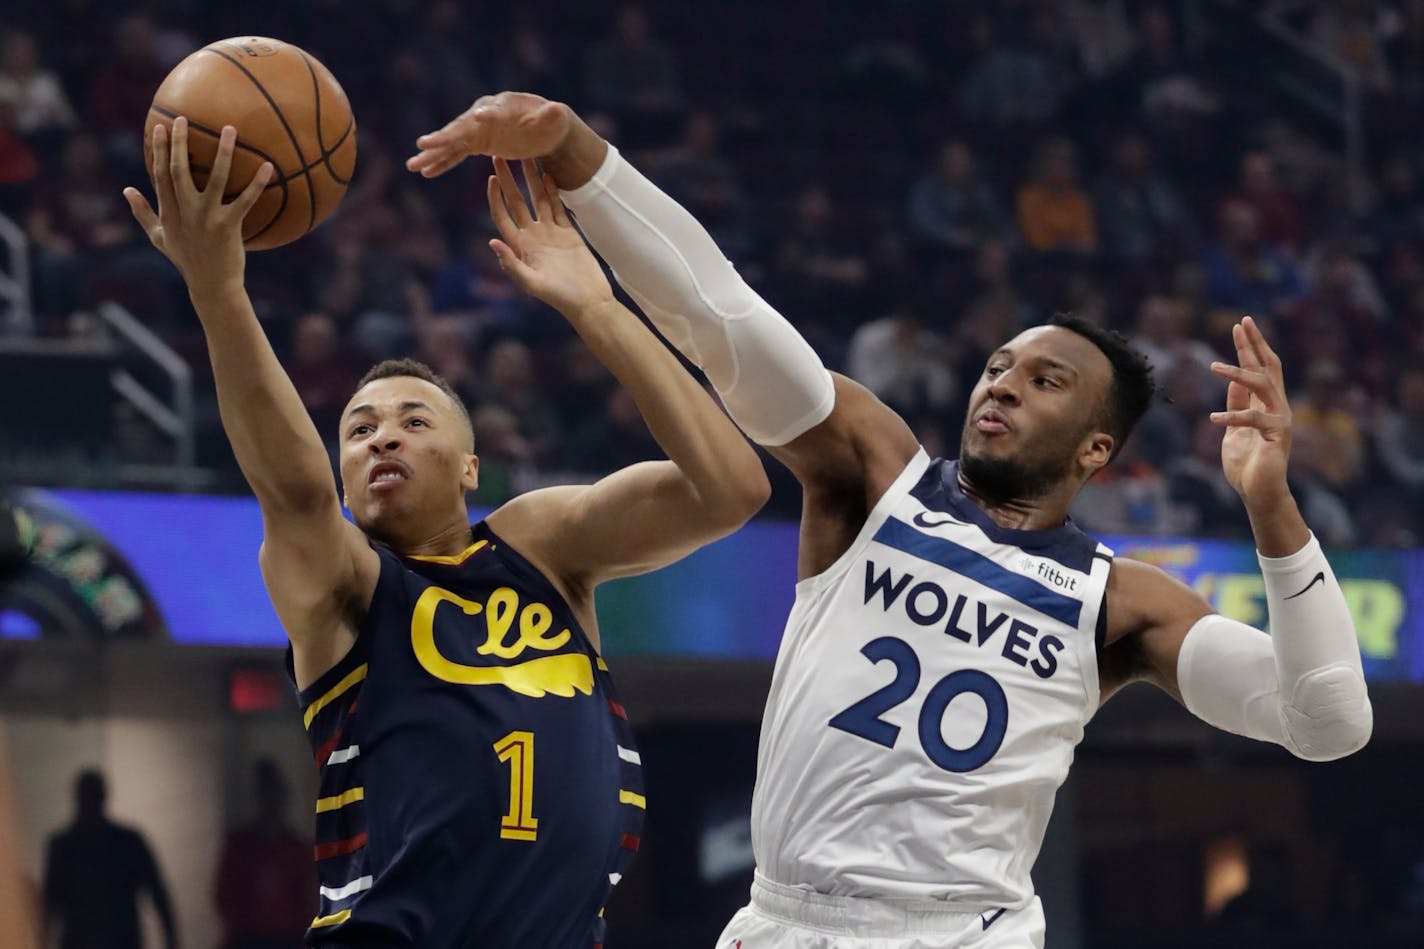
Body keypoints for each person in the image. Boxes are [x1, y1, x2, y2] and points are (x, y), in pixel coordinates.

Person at [408, 92, 1374, 949]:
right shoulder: (876, 476)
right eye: (998, 364)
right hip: (781, 917)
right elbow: (724, 315)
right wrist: (577, 152)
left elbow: (1328, 723)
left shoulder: (1120, 601)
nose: (1002, 385)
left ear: (1096, 450)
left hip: (961, 927)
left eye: (1046, 382)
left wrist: (1270, 502)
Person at [124, 118, 768, 947]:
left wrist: (598, 308)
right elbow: (292, 492)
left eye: (411, 419)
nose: (381, 437)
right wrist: (220, 295)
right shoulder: (342, 592)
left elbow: (733, 488)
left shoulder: (538, 544)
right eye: (357, 430)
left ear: (470, 466)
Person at [42, 770, 178, 949]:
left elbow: (51, 904)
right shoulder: (127, 841)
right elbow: (158, 895)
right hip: (119, 940)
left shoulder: (63, 845)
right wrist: (171, 940)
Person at [213, 759, 314, 949]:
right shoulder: (241, 845)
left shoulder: (295, 848)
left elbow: (305, 897)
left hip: (287, 937)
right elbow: (225, 893)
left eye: (274, 793)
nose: (270, 800)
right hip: (249, 937)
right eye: (265, 793)